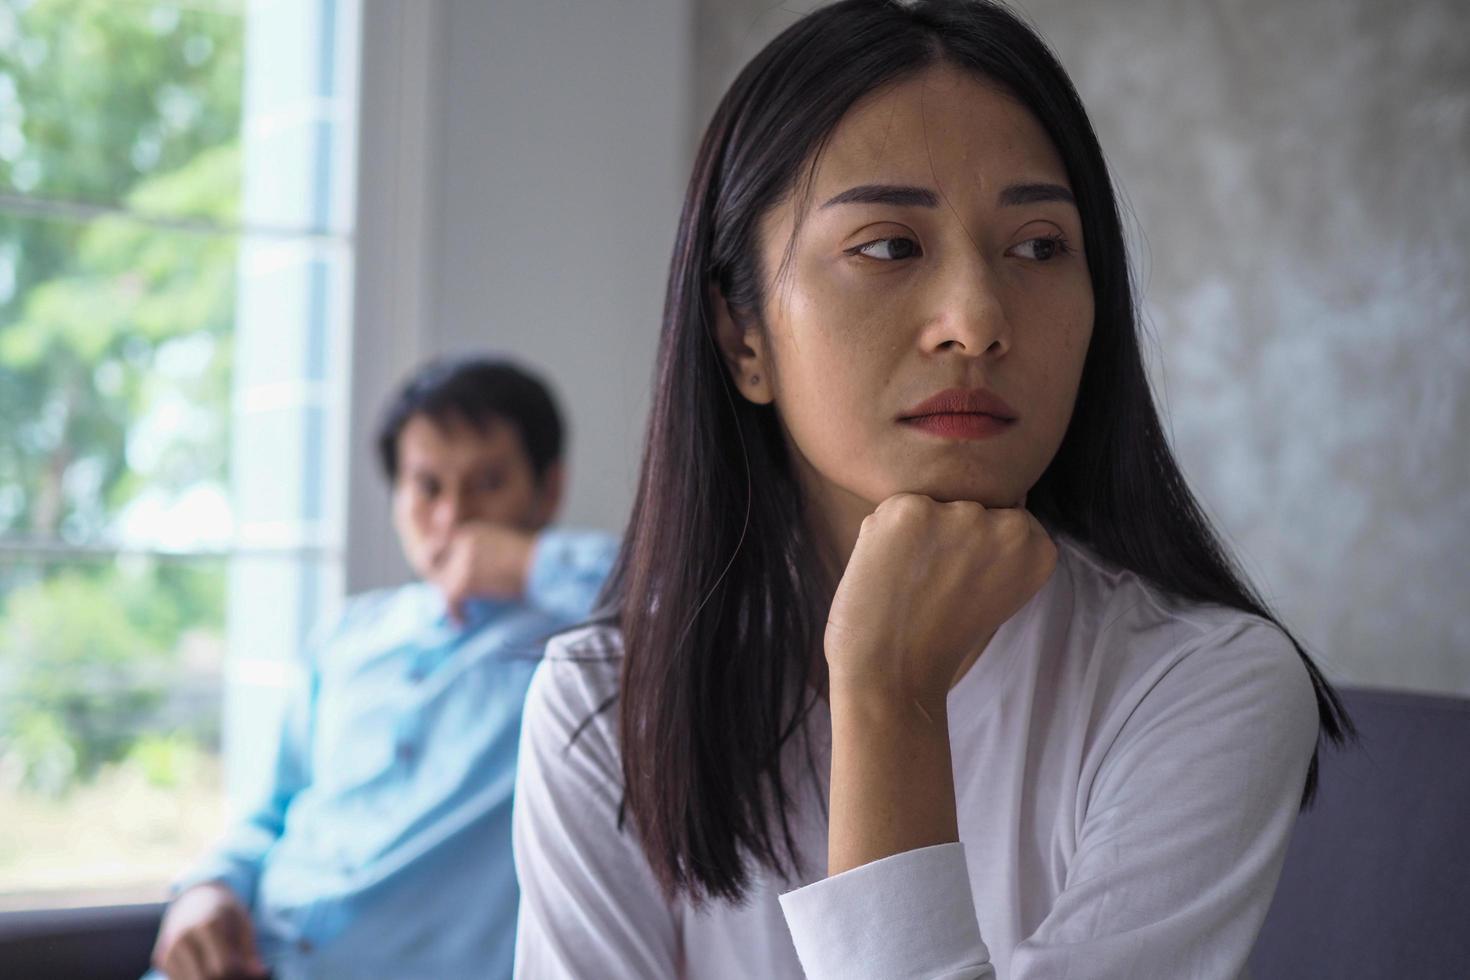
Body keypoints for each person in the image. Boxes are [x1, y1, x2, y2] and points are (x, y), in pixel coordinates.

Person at [511, 2, 1354, 978]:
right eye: (890, 246)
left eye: (1039, 246)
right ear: (743, 336)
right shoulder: (610, 702)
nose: (977, 321)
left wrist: (888, 696)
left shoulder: (1205, 684)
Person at [149, 357, 617, 980]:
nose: (452, 517)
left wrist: (531, 563)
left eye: (488, 482)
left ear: (548, 490)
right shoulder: (346, 636)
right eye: (427, 487)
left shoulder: (592, 644)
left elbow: (725, 603)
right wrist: (207, 889)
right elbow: (274, 810)